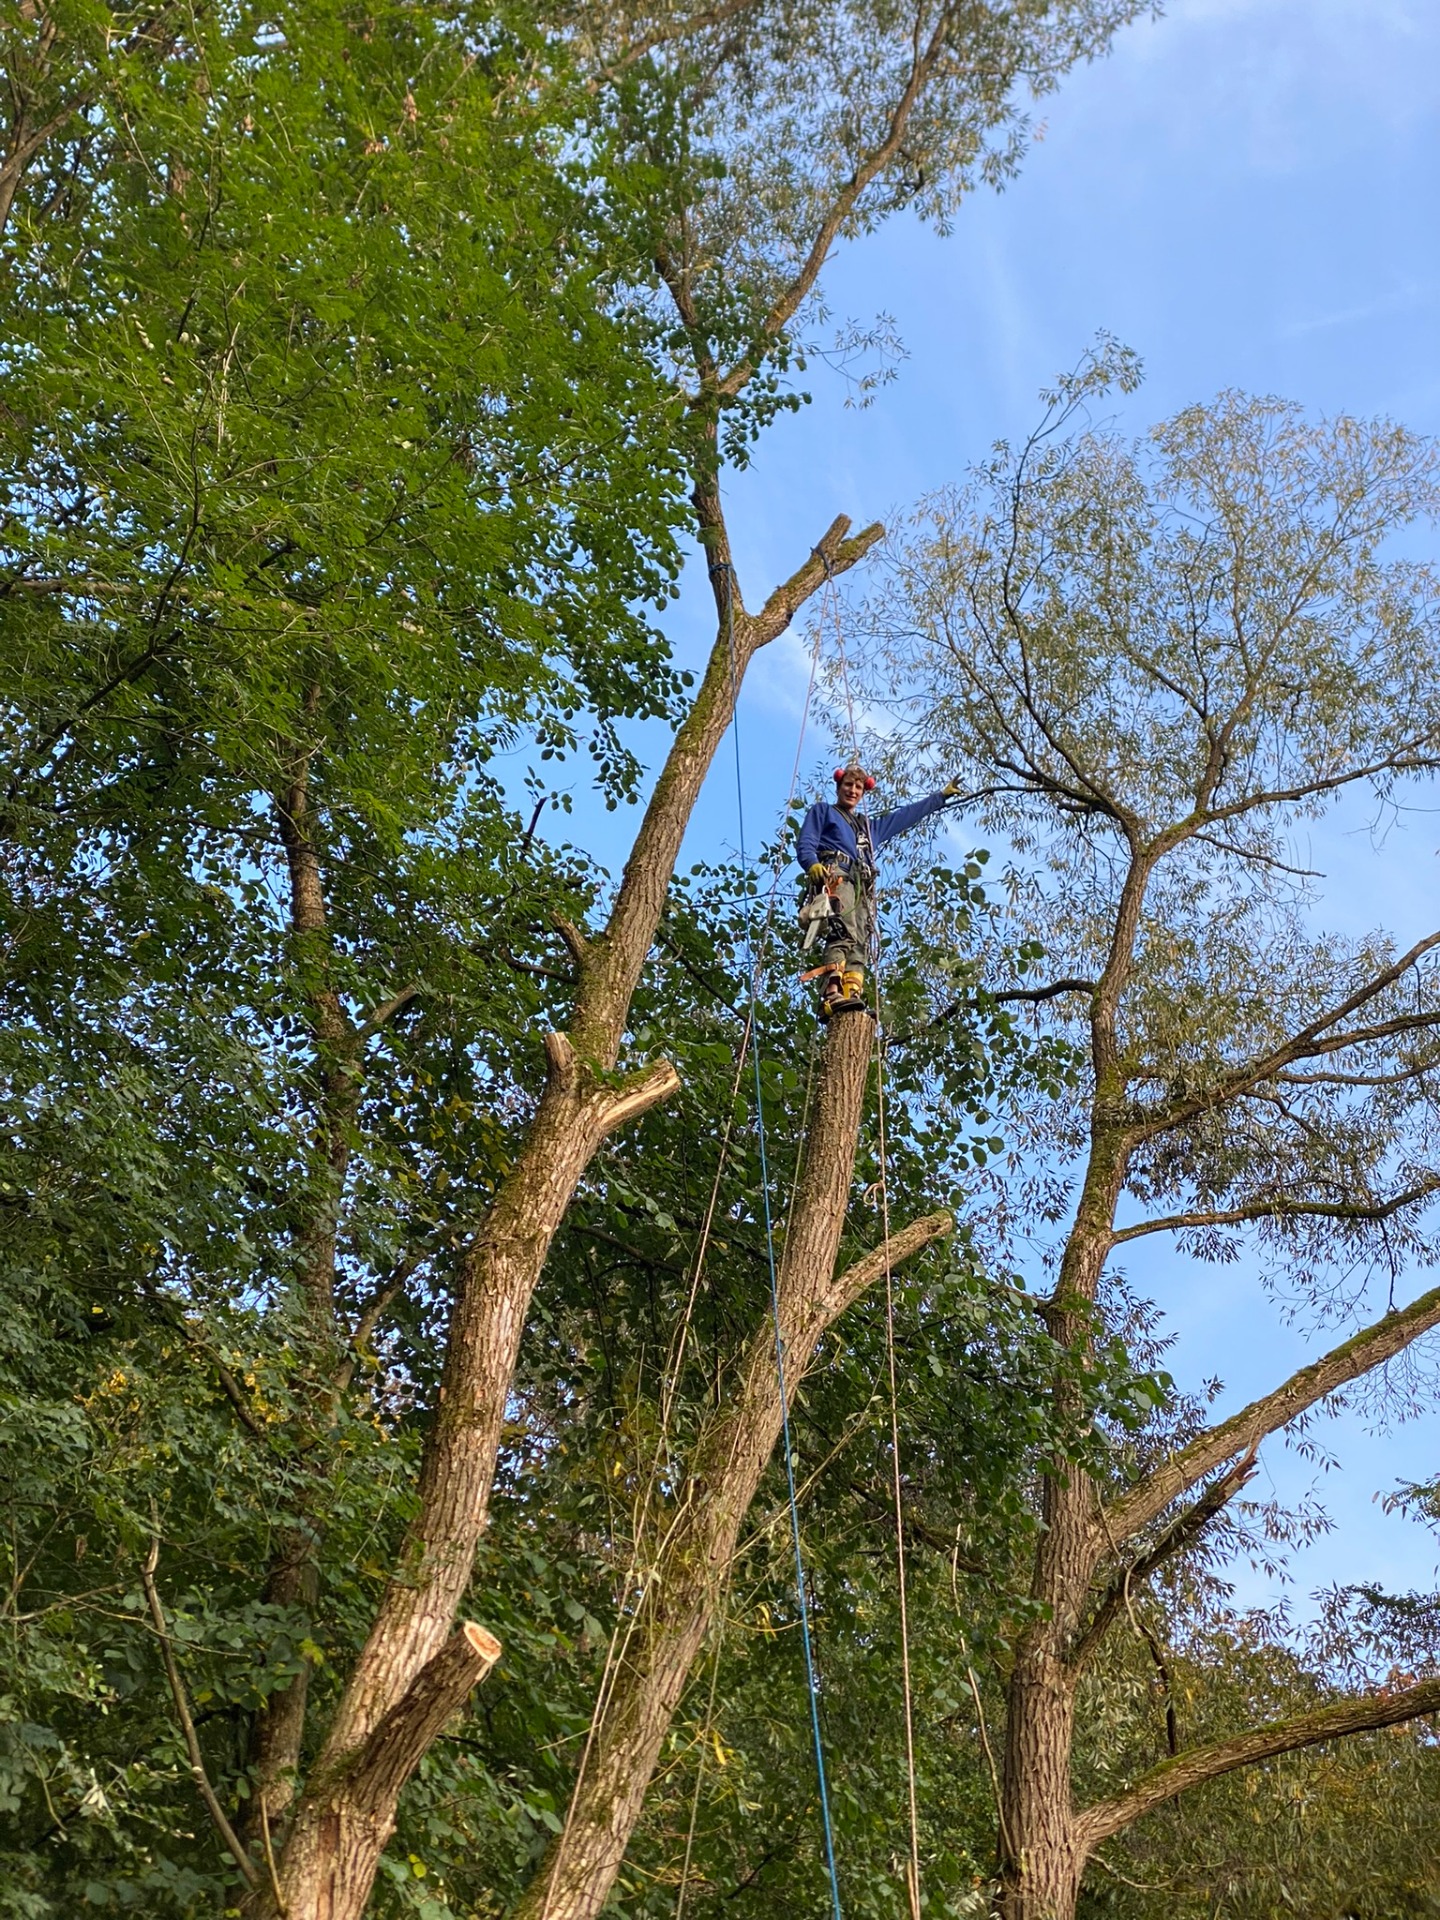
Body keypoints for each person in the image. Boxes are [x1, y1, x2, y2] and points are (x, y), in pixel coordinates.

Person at [797, 764, 960, 1017]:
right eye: (848, 785)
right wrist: (813, 864)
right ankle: (831, 993)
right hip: (836, 875)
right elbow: (806, 840)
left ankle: (852, 996)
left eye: (858, 787)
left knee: (861, 940)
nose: (853, 791)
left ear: (864, 792)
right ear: (839, 786)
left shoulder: (868, 830)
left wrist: (940, 797)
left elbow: (905, 816)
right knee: (843, 929)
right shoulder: (824, 811)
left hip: (861, 883)